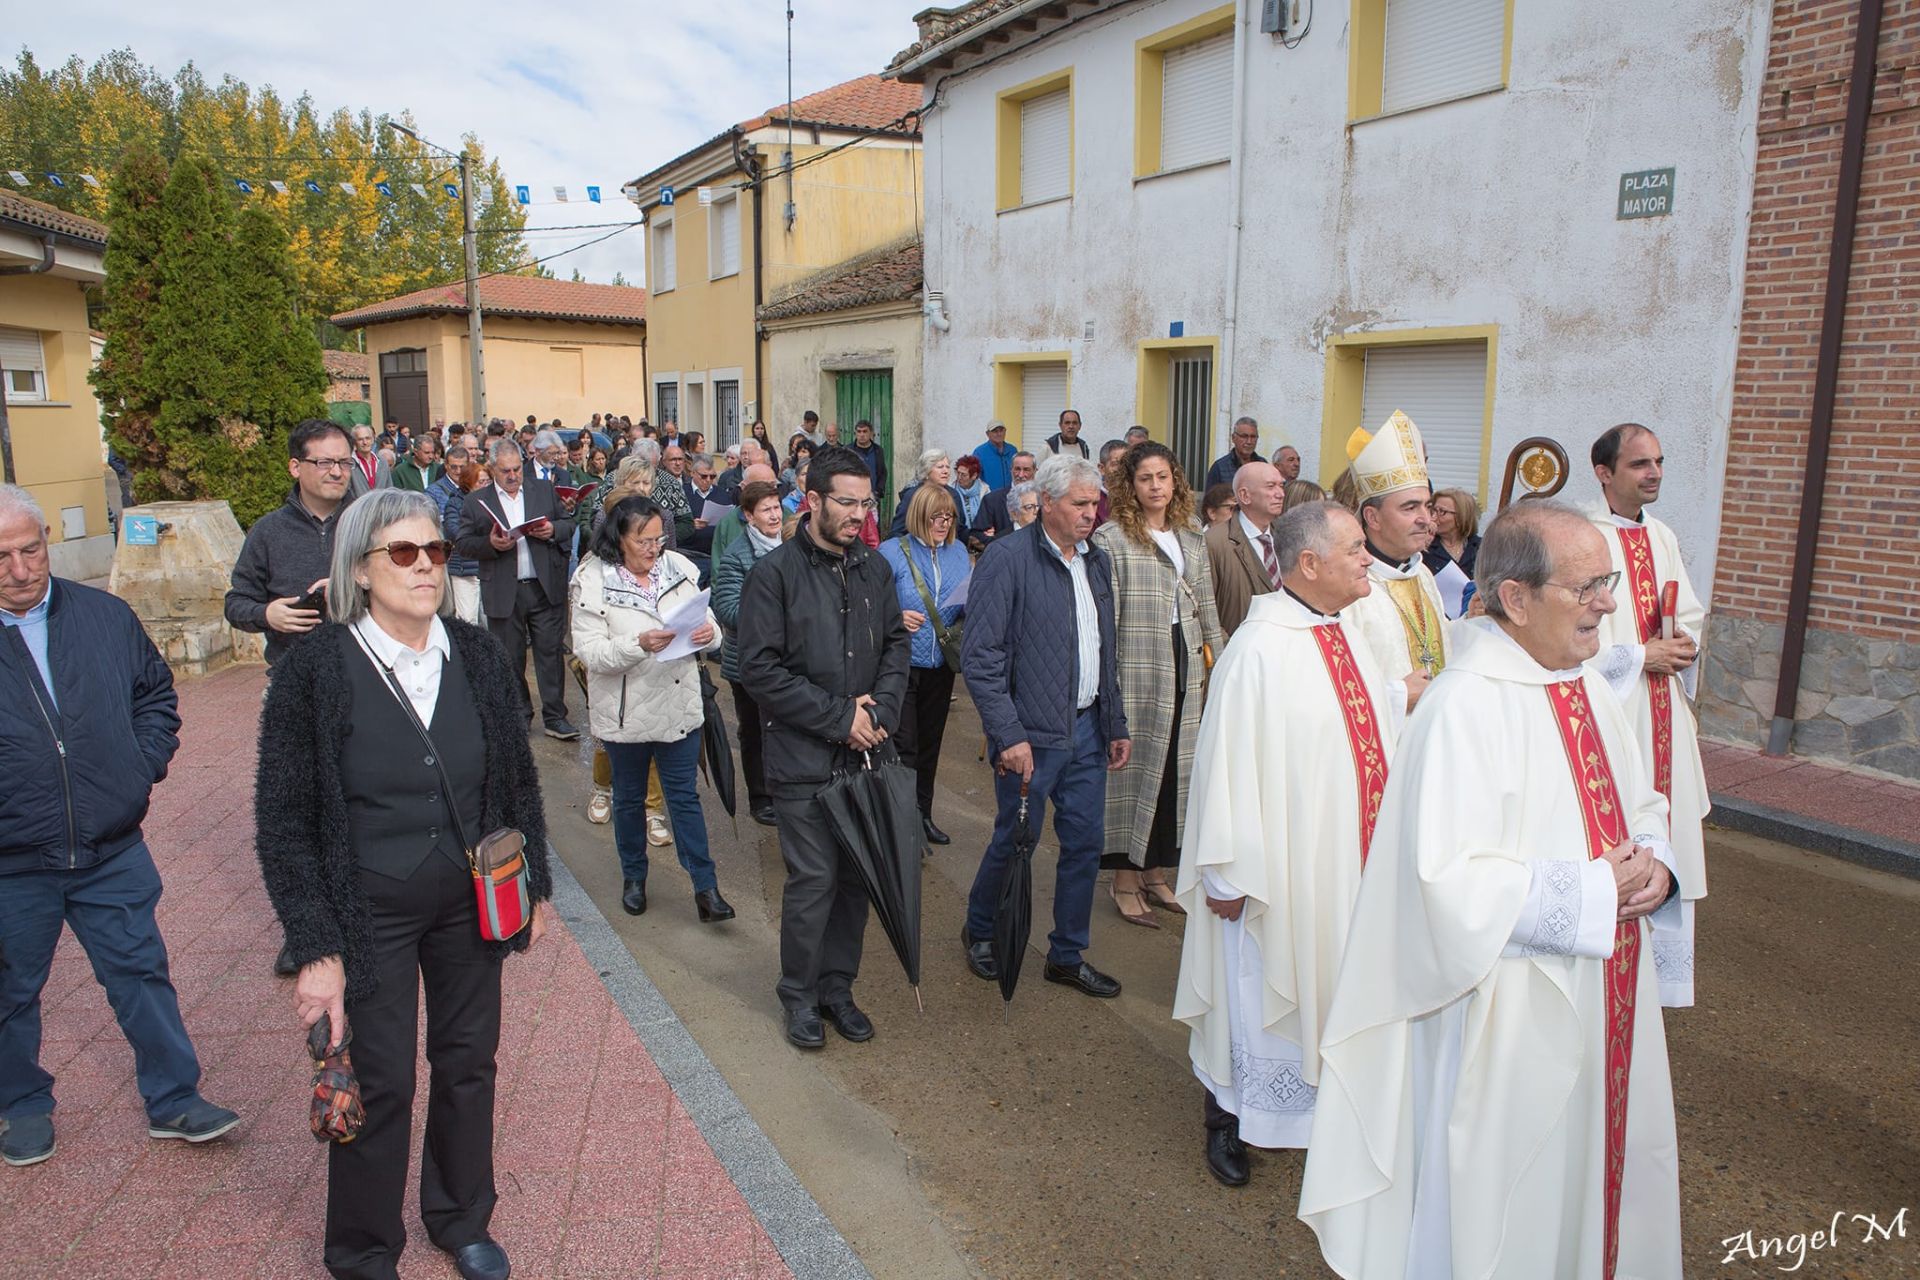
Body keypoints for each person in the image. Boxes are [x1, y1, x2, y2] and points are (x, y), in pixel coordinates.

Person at [1299, 500, 1684, 1280]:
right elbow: (1445, 883)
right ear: (1515, 598)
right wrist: (1589, 891)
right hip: (1508, 1014)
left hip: (1609, 994)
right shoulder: (1463, 707)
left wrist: (1658, 864)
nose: (1608, 603)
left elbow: (1641, 805)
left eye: (1607, 581)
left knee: (1601, 1184)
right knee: (1518, 1208)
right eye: (1586, 587)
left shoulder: (1581, 687)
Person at [256, 488, 554, 1280]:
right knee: (380, 1077)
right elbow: (283, 822)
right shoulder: (314, 670)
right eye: (403, 553)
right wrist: (316, 947)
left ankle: (461, 1217)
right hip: (369, 907)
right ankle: (361, 1251)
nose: (426, 567)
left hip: (468, 901)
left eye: (435, 552)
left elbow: (516, 781)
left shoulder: (476, 651)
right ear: (361, 566)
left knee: (469, 1060)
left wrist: (535, 889)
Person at [0, 485, 238, 1169]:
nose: (22, 569)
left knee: (140, 972)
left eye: (32, 549)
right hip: (14, 859)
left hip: (110, 846)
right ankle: (21, 1105)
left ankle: (175, 1097)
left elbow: (154, 694)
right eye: (4, 557)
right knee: (12, 988)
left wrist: (140, 767)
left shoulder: (103, 615)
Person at [1174, 500, 1398, 1186]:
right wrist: (1227, 877)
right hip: (1282, 869)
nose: (1368, 559)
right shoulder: (1260, 648)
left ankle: (1328, 1116)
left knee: (1338, 986)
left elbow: (1364, 720)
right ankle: (1228, 1120)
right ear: (1309, 563)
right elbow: (1225, 764)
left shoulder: (1347, 629)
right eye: (1356, 548)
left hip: (1348, 860)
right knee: (1253, 991)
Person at [738, 446, 909, 1050]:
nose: (859, 515)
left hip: (865, 754)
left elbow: (895, 645)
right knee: (813, 880)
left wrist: (880, 713)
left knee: (857, 879)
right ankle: (800, 995)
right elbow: (758, 671)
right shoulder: (774, 575)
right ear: (811, 500)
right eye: (847, 502)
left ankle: (839, 989)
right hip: (802, 758)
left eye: (866, 503)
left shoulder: (875, 568)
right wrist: (841, 717)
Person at [960, 454, 1131, 1000]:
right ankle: (982, 931)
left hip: (1087, 731)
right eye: (1080, 504)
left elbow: (1105, 651)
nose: (1091, 514)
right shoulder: (1006, 560)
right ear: (1048, 503)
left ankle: (1066, 954)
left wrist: (1115, 722)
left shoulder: (1095, 561)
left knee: (1084, 845)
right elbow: (981, 657)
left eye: (1094, 503)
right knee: (1017, 839)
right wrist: (1009, 736)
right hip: (1031, 735)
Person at [1586, 423, 1707, 1006]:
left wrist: (1683, 646)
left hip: (1663, 708)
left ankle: (1659, 981)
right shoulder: (1584, 538)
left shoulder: (1663, 536)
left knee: (1668, 821)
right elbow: (1565, 638)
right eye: (1639, 464)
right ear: (1604, 472)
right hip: (1616, 709)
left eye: (1658, 462)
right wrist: (1639, 655)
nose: (1654, 472)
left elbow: (1688, 613)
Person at [572, 496, 732, 923]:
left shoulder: (678, 567)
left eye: (658, 538)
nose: (653, 547)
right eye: (643, 540)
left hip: (678, 704)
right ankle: (634, 878)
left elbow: (711, 625)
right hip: (626, 711)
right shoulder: (593, 579)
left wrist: (706, 634)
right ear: (618, 538)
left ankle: (706, 888)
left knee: (684, 799)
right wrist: (638, 644)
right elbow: (589, 652)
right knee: (627, 799)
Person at [1092, 443, 1223, 928]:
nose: (1155, 487)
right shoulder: (1112, 539)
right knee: (1137, 769)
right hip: (1139, 664)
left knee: (1177, 770)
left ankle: (1158, 872)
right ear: (1130, 484)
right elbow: (1109, 619)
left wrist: (1222, 665)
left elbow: (1207, 607)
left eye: (1163, 477)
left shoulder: (1191, 536)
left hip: (1186, 657)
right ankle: (1124, 879)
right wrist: (1112, 686)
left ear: (1176, 481)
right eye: (1145, 478)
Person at [454, 439, 578, 740]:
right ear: (492, 468)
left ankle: (555, 716)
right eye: (505, 470)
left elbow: (568, 524)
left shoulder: (543, 490)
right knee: (510, 658)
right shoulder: (476, 502)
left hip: (543, 586)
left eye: (516, 469)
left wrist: (552, 531)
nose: (512, 476)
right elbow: (463, 543)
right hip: (503, 589)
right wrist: (491, 545)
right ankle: (520, 714)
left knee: (549, 653)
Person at [878, 484, 971, 846]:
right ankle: (903, 824)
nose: (944, 524)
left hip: (941, 664)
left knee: (931, 744)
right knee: (905, 746)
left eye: (949, 517)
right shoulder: (891, 552)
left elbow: (965, 601)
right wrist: (897, 616)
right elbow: (873, 605)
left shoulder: (959, 552)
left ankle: (924, 815)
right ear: (919, 515)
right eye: (937, 516)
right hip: (902, 664)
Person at [227, 418, 358, 670]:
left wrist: (351, 591)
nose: (337, 472)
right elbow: (236, 603)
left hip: (365, 672)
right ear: (295, 467)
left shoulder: (372, 524)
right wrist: (266, 615)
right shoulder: (268, 531)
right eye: (324, 462)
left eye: (344, 462)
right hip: (293, 673)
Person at [1341, 412, 1447, 713]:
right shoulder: (1349, 586)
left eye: (1427, 506)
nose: (1425, 519)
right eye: (1409, 507)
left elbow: (1437, 645)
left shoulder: (1422, 573)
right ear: (1372, 517)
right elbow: (1332, 690)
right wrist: (1398, 696)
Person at [713, 481, 785, 827]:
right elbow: (727, 609)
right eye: (766, 509)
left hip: (787, 659)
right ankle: (760, 798)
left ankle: (783, 788)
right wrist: (775, 612)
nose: (774, 515)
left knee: (783, 729)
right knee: (754, 732)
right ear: (748, 516)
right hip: (748, 663)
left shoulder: (792, 544)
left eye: (776, 507)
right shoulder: (737, 555)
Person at [1205, 459, 1286, 640]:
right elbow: (1205, 611)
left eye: (1281, 486)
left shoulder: (1288, 539)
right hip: (1239, 654)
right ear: (1245, 495)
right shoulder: (1215, 543)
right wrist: (1229, 651)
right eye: (1271, 486)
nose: (1280, 493)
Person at [427, 444, 485, 625]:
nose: (458, 471)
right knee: (467, 619)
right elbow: (451, 530)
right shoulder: (440, 494)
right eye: (454, 467)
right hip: (462, 563)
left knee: (487, 619)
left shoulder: (490, 499)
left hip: (485, 564)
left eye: (462, 467)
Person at [890, 448, 967, 538]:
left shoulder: (953, 495)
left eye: (947, 467)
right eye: (940, 467)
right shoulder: (912, 496)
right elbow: (897, 531)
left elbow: (959, 529)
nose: (946, 471)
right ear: (926, 471)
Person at [967, 450, 1037, 546]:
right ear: (1011, 470)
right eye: (1017, 469)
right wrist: (997, 541)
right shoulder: (992, 500)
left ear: (1035, 471)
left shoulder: (1045, 499)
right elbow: (976, 536)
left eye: (1026, 470)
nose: (1020, 475)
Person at [1424, 486, 1482, 579]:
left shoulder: (1480, 547)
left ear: (1461, 517)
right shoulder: (1426, 545)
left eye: (1441, 511)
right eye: (1433, 510)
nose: (1433, 517)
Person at [1205, 416, 1262, 491]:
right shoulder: (1219, 467)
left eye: (1253, 437)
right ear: (1233, 438)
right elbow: (1210, 500)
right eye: (1244, 436)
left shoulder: (1262, 465)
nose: (1249, 441)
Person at [970, 420, 1016, 490]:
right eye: (995, 431)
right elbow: (973, 478)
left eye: (1001, 430)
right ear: (987, 434)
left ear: (1005, 431)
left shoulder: (1012, 450)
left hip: (1011, 495)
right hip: (990, 497)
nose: (999, 434)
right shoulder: (979, 453)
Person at [349, 423, 393, 495]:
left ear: (373, 440)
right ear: (354, 442)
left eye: (368, 438)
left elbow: (389, 490)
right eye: (360, 439)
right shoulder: (349, 464)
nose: (365, 442)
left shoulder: (382, 462)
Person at [849, 419, 888, 497]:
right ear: (855, 433)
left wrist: (879, 490)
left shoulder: (878, 450)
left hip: (873, 496)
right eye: (859, 431)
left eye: (865, 431)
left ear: (871, 433)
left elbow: (883, 472)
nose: (862, 434)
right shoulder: (848, 451)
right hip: (853, 496)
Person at [952, 454, 990, 529]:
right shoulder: (951, 490)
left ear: (974, 476)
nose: (959, 477)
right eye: (958, 473)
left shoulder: (985, 491)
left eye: (963, 475)